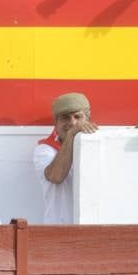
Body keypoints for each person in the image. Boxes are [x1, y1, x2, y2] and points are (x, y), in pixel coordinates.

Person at [33, 92, 96, 225]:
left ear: (88, 119)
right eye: (65, 118)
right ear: (56, 122)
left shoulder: (99, 146)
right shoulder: (44, 150)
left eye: (77, 117)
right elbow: (56, 177)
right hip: (58, 232)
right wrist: (72, 135)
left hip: (93, 230)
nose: (72, 123)